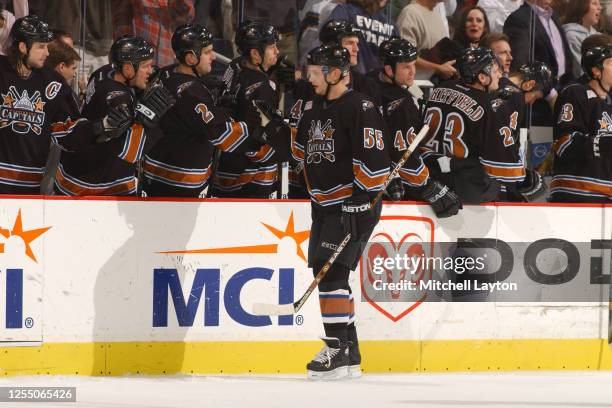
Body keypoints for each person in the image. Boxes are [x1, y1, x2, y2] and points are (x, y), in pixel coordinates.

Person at [292, 44, 390, 380]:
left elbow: (376, 161)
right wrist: (282, 126)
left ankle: (335, 348)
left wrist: (361, 202)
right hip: (323, 205)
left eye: (317, 72)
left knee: (330, 273)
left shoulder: (360, 106)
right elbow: (300, 152)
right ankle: (350, 352)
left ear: (337, 72)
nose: (311, 78)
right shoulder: (312, 105)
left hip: (353, 205)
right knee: (327, 270)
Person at [141, 24, 283, 198]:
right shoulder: (191, 92)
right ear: (191, 58)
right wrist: (266, 136)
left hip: (157, 175)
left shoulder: (167, 73)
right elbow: (222, 133)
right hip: (179, 186)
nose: (213, 57)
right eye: (207, 52)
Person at [54, 36, 174, 196]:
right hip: (97, 188)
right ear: (128, 69)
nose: (150, 71)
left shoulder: (103, 72)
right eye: (145, 66)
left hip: (72, 172)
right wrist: (153, 121)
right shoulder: (119, 101)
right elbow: (132, 151)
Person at [422, 48, 544, 203]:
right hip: (464, 184)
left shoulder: (439, 89)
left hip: (430, 175)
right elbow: (500, 163)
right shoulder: (488, 105)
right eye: (495, 71)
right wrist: (524, 178)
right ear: (482, 77)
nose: (500, 75)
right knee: (498, 186)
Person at [0, 15, 103, 195]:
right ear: (23, 47)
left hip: (28, 187)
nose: (47, 53)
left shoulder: (52, 82)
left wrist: (101, 127)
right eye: (41, 46)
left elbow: (69, 131)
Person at [377, 37, 461, 216]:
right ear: (389, 69)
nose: (412, 71)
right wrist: (428, 186)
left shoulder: (368, 82)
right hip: (398, 181)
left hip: (375, 173)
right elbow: (405, 156)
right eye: (406, 67)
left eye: (414, 64)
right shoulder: (402, 104)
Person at [210, 21, 286, 198]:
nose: (277, 52)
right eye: (272, 47)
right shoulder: (264, 87)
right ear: (255, 53)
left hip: (224, 168)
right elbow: (259, 141)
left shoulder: (234, 67)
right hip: (252, 179)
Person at [549, 45, 612, 202]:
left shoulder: (609, 103)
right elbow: (565, 143)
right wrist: (604, 144)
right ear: (596, 70)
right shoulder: (575, 93)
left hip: (606, 195)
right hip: (576, 192)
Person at [325, 0, 398, 74]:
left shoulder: (391, 25)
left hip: (378, 82)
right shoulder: (345, 11)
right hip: (349, 79)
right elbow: (330, 41)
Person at [319, 19, 381, 105]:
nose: (356, 49)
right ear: (332, 46)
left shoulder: (368, 86)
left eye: (357, 43)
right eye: (350, 43)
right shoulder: (314, 84)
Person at [397, 0, 457, 81]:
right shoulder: (410, 13)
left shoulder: (437, 16)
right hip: (415, 86)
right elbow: (405, 56)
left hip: (433, 85)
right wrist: (438, 68)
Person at [563, 0, 602, 78]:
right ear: (581, 7)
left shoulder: (598, 35)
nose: (600, 7)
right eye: (594, 3)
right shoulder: (571, 36)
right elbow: (581, 71)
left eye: (599, 4)